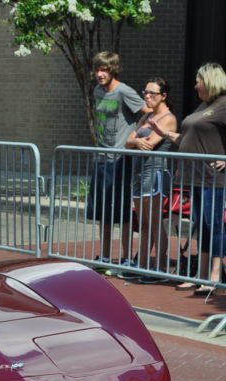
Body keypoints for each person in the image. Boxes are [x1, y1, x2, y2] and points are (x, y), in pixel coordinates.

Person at [151, 62, 226, 296]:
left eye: (198, 81)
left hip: (213, 177)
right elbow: (189, 139)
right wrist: (167, 134)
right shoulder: (205, 105)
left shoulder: (224, 104)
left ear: (210, 80)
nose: (195, 86)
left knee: (213, 225)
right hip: (193, 177)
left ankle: (215, 274)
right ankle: (201, 274)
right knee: (200, 226)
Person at [88, 52, 145, 268]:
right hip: (102, 158)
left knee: (122, 210)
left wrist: (135, 136)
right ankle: (103, 256)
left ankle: (127, 258)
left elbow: (147, 112)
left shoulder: (124, 91)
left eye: (105, 70)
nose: (101, 74)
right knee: (103, 210)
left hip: (121, 159)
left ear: (113, 70)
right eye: (98, 70)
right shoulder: (97, 91)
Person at [123, 77, 176, 283]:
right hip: (138, 173)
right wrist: (136, 140)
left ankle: (159, 267)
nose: (147, 96)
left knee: (154, 221)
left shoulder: (168, 118)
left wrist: (136, 142)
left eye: (152, 93)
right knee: (143, 222)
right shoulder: (146, 117)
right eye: (145, 92)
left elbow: (151, 143)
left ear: (163, 96)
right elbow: (130, 142)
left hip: (154, 173)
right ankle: (143, 264)